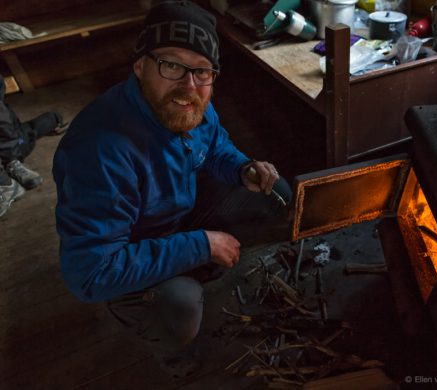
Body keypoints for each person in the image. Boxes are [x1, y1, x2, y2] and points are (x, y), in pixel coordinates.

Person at [52, 0, 291, 379]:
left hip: (175, 215)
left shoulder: (193, 103)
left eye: (201, 71)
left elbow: (214, 147)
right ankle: (155, 326)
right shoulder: (100, 150)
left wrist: (243, 168)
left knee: (274, 190)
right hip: (124, 247)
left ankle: (188, 268)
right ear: (140, 66)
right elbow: (90, 272)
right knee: (178, 305)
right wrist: (202, 245)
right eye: (171, 65)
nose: (188, 85)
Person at [0, 74, 66, 217]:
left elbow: (3, 124)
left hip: (9, 140)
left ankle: (8, 184)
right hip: (8, 136)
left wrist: (9, 158)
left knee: (23, 139)